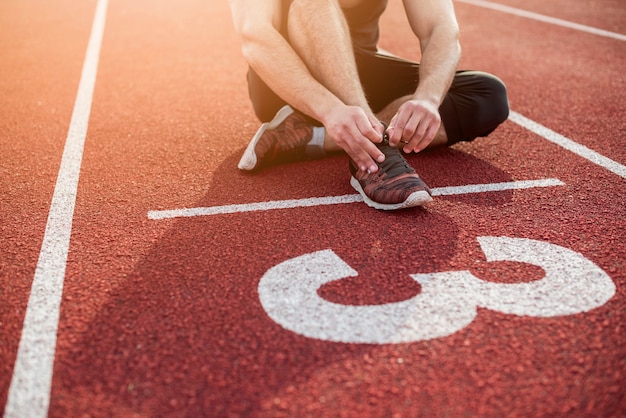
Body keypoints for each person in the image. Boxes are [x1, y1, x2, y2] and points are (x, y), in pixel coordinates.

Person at [229, 0, 509, 210]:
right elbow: (256, 37)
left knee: (486, 94)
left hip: (360, 73)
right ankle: (378, 154)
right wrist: (330, 109)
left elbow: (440, 27)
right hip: (289, 82)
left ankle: (309, 137)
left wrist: (427, 98)